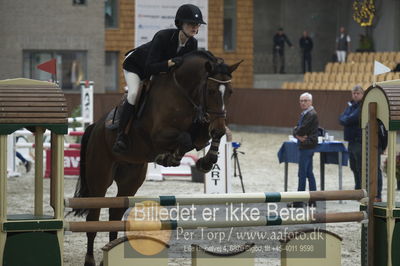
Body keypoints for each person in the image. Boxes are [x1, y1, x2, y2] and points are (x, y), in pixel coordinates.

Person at [113, 4, 206, 154]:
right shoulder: (163, 36)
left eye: (197, 25)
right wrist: (169, 63)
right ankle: (121, 135)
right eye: (191, 24)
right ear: (180, 24)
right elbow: (149, 67)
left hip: (158, 72)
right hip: (136, 66)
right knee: (133, 93)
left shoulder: (193, 44)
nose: (195, 27)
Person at [290, 92, 319, 207]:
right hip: (306, 145)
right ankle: (313, 199)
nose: (303, 103)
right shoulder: (305, 113)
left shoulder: (311, 114)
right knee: (308, 173)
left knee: (302, 173)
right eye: (301, 101)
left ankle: (299, 201)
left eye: (305, 100)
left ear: (311, 102)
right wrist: (297, 133)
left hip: (307, 145)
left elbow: (300, 129)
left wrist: (297, 133)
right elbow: (296, 129)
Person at [339, 85, 363, 190]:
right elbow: (341, 118)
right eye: (354, 93)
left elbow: (352, 118)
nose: (355, 95)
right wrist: (346, 119)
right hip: (351, 140)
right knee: (353, 166)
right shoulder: (350, 105)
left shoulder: (362, 105)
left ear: (362, 94)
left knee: (359, 166)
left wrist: (346, 119)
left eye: (358, 93)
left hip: (359, 140)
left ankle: (361, 187)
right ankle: (357, 186)